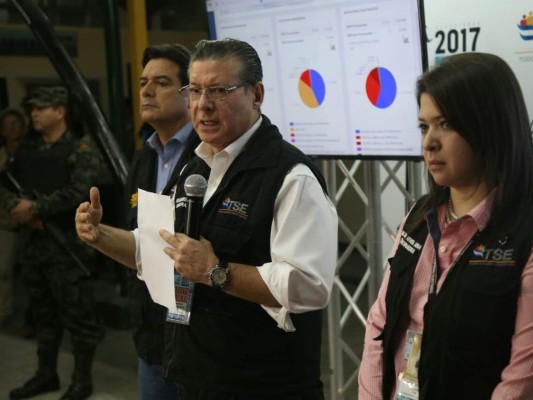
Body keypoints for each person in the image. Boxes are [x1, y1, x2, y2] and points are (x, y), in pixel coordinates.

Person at [75, 38, 338, 399]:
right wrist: (100, 235)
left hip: (264, 386)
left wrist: (215, 271)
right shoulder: (195, 168)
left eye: (219, 90)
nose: (203, 105)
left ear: (256, 94)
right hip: (198, 379)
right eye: (195, 91)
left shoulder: (291, 177)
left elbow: (309, 286)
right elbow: (160, 249)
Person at [358, 52, 533, 400]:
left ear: (490, 127)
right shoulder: (419, 217)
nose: (429, 142)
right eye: (424, 126)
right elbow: (379, 326)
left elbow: (524, 389)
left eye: (446, 124)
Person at [0, 86, 105, 400]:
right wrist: (17, 208)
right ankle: (46, 375)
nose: (33, 113)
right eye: (32, 108)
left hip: (68, 250)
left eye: (41, 108)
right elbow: (4, 183)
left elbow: (79, 192)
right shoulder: (27, 150)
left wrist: (34, 208)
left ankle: (82, 381)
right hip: (34, 248)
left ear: (59, 111)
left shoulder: (81, 149)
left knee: (79, 320)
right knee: (43, 318)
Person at [126, 43, 200, 400]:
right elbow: (135, 234)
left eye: (161, 82)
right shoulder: (144, 157)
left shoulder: (210, 153)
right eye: (143, 82)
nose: (147, 91)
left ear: (189, 93)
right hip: (153, 332)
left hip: (201, 332)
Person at [0, 108, 27, 328]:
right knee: (3, 271)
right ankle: (3, 312)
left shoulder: (32, 153)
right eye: (7, 125)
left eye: (15, 124)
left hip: (31, 219)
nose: (12, 129)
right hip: (5, 222)